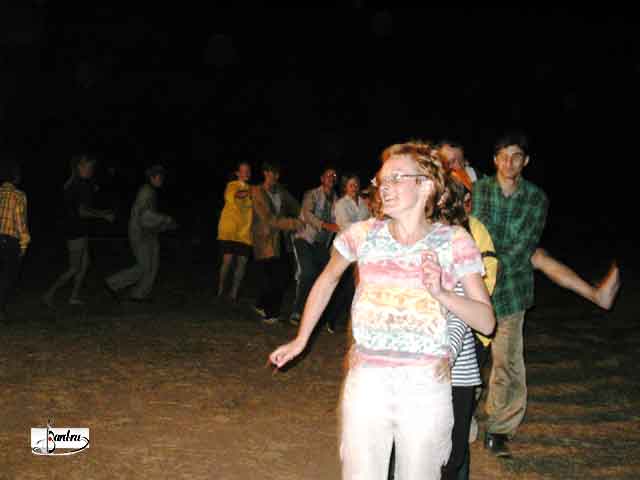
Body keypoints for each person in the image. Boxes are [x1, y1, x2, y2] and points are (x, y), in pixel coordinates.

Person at [270, 141, 495, 480]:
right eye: (382, 180)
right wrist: (301, 339)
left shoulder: (455, 241)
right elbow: (328, 279)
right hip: (368, 381)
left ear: (426, 185)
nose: (384, 188)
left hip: (424, 385)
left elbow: (486, 321)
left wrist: (442, 292)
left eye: (396, 178)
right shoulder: (362, 234)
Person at [471, 132, 548, 457]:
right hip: (474, 289)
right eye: (503, 155)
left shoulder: (536, 199)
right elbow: (473, 234)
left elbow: (523, 246)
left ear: (525, 161)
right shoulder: (479, 191)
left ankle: (499, 429)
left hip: (511, 291)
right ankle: (462, 418)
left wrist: (489, 262)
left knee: (507, 364)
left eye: (516, 156)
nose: (509, 162)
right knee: (467, 360)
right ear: (494, 160)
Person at [43, 154, 115, 307]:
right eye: (88, 167)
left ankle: (73, 297)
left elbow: (83, 206)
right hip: (75, 232)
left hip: (80, 230)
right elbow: (82, 211)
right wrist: (103, 215)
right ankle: (49, 294)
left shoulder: (79, 183)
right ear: (79, 167)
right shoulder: (77, 185)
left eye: (92, 167)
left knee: (84, 264)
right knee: (74, 268)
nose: (91, 170)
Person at [105, 165, 177, 302]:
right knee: (144, 267)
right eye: (159, 177)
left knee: (153, 265)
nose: (162, 179)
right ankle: (113, 283)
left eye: (162, 176)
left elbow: (149, 217)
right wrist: (165, 219)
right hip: (140, 233)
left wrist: (164, 226)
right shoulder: (145, 191)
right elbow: (144, 215)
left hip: (149, 232)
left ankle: (139, 294)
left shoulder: (151, 191)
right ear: (152, 177)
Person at [250, 161, 302, 324]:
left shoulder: (281, 191)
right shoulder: (257, 191)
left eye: (277, 173)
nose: (275, 176)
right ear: (265, 173)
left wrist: (308, 216)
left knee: (283, 276)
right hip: (264, 240)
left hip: (281, 240)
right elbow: (268, 219)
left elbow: (297, 207)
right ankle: (271, 314)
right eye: (272, 173)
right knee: (272, 278)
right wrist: (294, 223)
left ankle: (262, 305)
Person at [289, 166, 339, 326]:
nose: (331, 178)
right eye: (328, 175)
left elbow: (340, 220)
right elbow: (308, 214)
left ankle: (315, 314)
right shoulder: (311, 194)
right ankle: (297, 311)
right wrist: (325, 225)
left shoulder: (337, 200)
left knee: (327, 277)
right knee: (307, 273)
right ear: (322, 179)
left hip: (321, 244)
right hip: (304, 238)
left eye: (334, 176)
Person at [217, 161, 253, 301]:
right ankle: (220, 289)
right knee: (227, 261)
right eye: (244, 171)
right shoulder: (231, 185)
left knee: (242, 263)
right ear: (238, 173)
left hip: (245, 233)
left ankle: (233, 294)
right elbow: (238, 195)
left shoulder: (253, 190)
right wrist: (253, 191)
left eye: (248, 170)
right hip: (229, 230)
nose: (247, 173)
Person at [0, 157, 30, 323]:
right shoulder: (18, 195)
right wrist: (23, 245)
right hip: (9, 240)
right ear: (16, 177)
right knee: (7, 277)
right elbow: (20, 223)